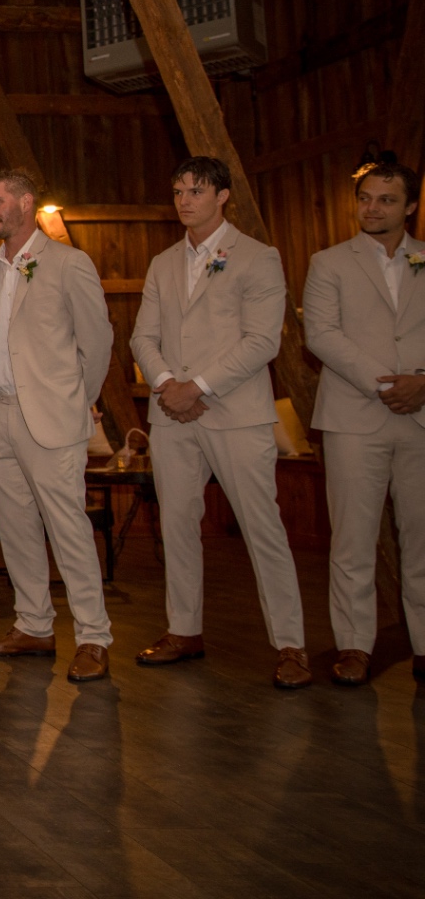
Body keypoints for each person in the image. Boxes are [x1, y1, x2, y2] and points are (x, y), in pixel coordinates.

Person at [131, 156, 310, 688]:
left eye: (197, 190)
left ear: (223, 196)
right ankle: (183, 630)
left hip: (234, 413)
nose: (185, 200)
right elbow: (142, 336)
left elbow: (262, 341)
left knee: (262, 527)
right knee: (177, 524)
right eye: (178, 191)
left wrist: (198, 387)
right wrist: (168, 384)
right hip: (171, 414)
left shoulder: (258, 257)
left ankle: (291, 644)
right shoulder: (162, 262)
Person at [0, 169, 115, 682]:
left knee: (68, 527)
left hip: (52, 418)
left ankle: (94, 636)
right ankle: (33, 624)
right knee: (15, 528)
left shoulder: (70, 264)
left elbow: (97, 343)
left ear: (26, 202)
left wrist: (77, 401)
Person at [302, 161, 425, 686]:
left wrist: (422, 382)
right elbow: (322, 336)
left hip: (421, 416)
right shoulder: (328, 262)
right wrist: (385, 385)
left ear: (410, 207)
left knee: (422, 538)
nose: (372, 208)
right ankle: (354, 645)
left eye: (386, 200)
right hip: (354, 416)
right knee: (352, 540)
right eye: (365, 198)